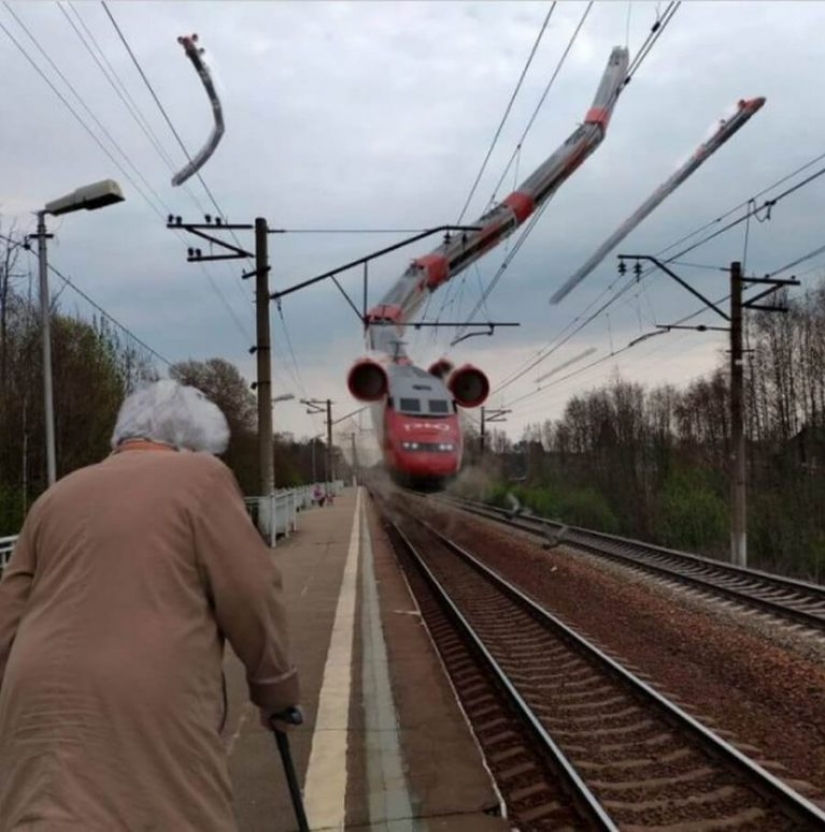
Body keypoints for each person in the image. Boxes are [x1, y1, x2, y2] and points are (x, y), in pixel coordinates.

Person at [0, 380, 300, 831]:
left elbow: (8, 620)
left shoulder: (55, 496)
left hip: (34, 710)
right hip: (147, 706)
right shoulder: (202, 478)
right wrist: (275, 691)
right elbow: (252, 591)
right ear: (191, 446)